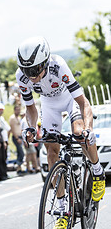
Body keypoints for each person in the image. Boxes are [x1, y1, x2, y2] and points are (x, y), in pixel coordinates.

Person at [16, 36, 105, 228]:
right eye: (26, 71)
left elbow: (83, 102)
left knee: (79, 132)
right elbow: (30, 108)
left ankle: (98, 173)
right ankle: (63, 209)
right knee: (51, 152)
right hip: (48, 104)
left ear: (45, 61)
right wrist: (31, 128)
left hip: (69, 99)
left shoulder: (59, 66)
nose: (31, 76)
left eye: (35, 70)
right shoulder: (21, 77)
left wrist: (89, 128)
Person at [9, 105, 25, 175]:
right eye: (17, 110)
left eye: (19, 110)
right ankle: (18, 166)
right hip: (16, 137)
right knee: (21, 152)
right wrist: (17, 138)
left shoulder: (18, 118)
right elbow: (12, 129)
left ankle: (19, 167)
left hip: (20, 136)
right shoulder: (12, 118)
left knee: (20, 152)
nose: (18, 111)